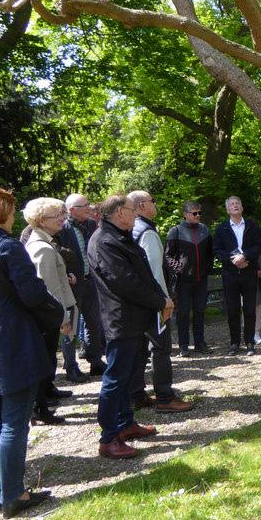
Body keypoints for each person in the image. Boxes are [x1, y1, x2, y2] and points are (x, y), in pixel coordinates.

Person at [88, 194, 173, 459]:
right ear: (118, 213)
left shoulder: (120, 236)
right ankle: (109, 437)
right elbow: (125, 282)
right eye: (130, 209)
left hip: (137, 318)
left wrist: (161, 298)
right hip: (122, 320)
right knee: (115, 378)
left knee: (127, 375)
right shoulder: (104, 241)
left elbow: (144, 274)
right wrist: (160, 301)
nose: (135, 214)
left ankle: (126, 424)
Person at [0, 187, 57, 518]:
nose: (15, 216)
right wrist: (54, 311)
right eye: (12, 210)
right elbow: (32, 295)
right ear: (2, 213)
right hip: (11, 344)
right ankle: (14, 494)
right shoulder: (7, 248)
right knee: (14, 424)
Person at [128, 191, 192, 414]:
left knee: (139, 348)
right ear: (142, 206)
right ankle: (165, 396)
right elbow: (154, 272)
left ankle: (136, 394)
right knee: (161, 348)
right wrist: (165, 302)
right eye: (152, 201)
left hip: (135, 301)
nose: (155, 205)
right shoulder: (146, 232)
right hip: (152, 302)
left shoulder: (129, 230)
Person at [22, 198, 79, 426]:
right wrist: (62, 317)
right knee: (43, 360)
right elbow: (48, 289)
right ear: (40, 221)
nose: (62, 218)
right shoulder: (41, 247)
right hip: (47, 316)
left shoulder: (47, 242)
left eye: (61, 213)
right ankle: (40, 409)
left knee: (47, 359)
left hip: (50, 314)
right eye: (55, 215)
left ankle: (44, 398)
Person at [55, 194, 106, 375]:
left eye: (88, 204)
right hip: (72, 286)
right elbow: (57, 255)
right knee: (71, 327)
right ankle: (71, 367)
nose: (89, 207)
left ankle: (96, 361)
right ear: (72, 210)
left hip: (91, 282)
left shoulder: (92, 225)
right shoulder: (61, 229)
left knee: (94, 323)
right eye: (84, 205)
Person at [212, 196, 261, 356]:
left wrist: (245, 256)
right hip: (230, 273)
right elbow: (217, 250)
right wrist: (233, 260)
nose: (235, 206)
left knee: (249, 309)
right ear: (227, 209)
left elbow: (259, 245)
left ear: (242, 207)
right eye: (232, 204)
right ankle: (234, 343)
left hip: (249, 272)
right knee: (233, 309)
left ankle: (249, 342)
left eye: (238, 203)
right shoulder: (222, 228)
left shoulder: (252, 225)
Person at [165, 200, 214, 356]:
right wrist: (179, 268)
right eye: (194, 213)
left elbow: (210, 252)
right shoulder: (176, 231)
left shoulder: (204, 230)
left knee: (200, 311)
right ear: (185, 214)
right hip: (183, 281)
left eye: (199, 212)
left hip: (201, 279)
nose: (198, 215)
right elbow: (167, 256)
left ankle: (200, 343)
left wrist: (207, 269)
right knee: (184, 313)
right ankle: (183, 346)